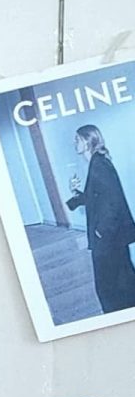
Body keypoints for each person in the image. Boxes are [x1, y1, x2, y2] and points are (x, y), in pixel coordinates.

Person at [67, 122, 135, 316]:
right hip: (114, 236)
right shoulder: (98, 163)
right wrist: (75, 193)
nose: (74, 143)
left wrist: (101, 231)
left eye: (77, 139)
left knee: (107, 285)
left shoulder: (99, 166)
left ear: (88, 141)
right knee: (123, 278)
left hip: (107, 237)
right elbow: (96, 198)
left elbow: (113, 202)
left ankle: (116, 318)